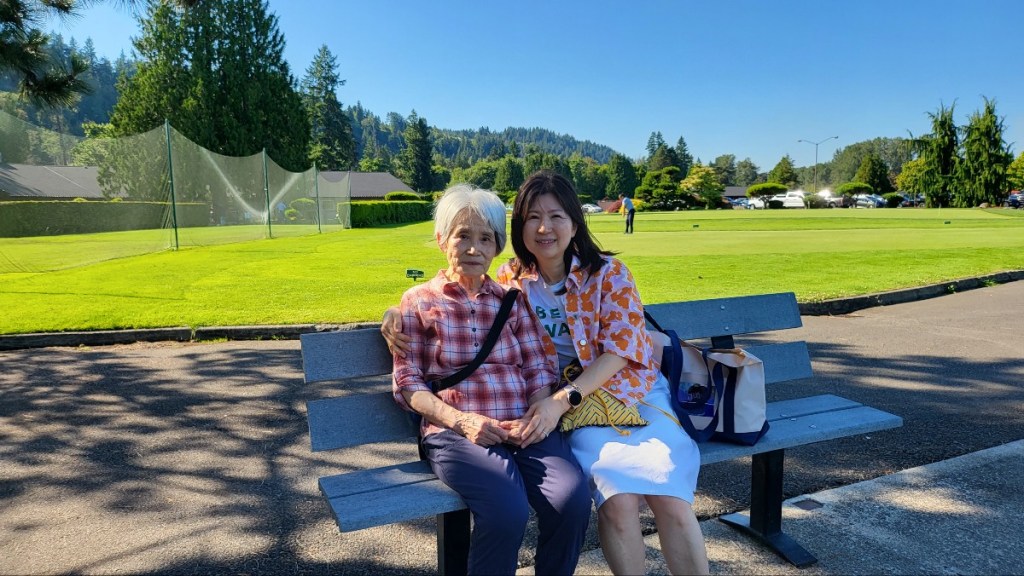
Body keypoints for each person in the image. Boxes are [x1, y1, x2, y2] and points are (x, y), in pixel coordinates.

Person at [386, 172, 710, 575]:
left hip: (623, 396)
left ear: (574, 223)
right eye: (533, 217)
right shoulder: (510, 279)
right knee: (609, 500)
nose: (544, 228)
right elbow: (449, 300)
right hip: (552, 414)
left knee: (655, 498)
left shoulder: (604, 274)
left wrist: (551, 403)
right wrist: (396, 312)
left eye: (556, 216)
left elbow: (607, 354)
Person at [390, 183, 591, 576]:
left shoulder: (512, 301)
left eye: (485, 238)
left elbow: (536, 366)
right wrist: (462, 422)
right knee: (506, 510)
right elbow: (408, 383)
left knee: (571, 499)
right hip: (455, 433)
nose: (473, 248)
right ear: (441, 239)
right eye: (462, 236)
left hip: (521, 426)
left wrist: (535, 413)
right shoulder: (419, 302)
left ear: (497, 245)